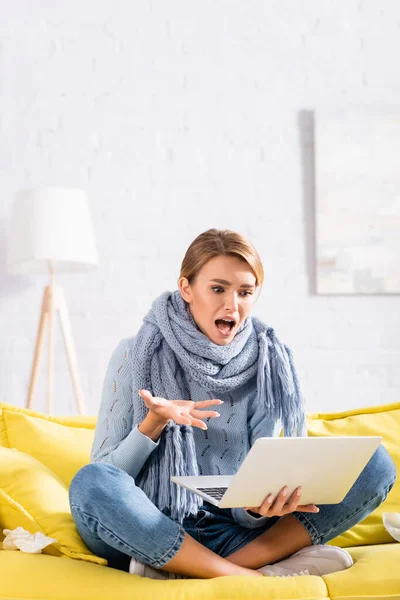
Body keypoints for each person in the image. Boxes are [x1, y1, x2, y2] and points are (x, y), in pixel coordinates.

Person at [69, 228, 396, 580]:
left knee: (376, 466)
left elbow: (260, 488)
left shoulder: (270, 363)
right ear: (186, 289)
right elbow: (109, 472)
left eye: (245, 292)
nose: (232, 304)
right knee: (92, 483)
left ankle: (207, 568)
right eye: (218, 288)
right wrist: (152, 424)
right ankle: (254, 573)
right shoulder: (135, 353)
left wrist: (259, 508)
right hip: (146, 525)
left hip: (233, 531)